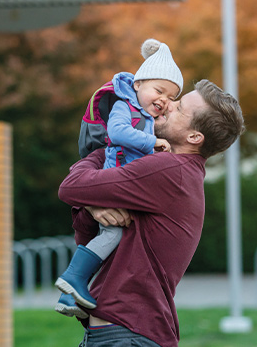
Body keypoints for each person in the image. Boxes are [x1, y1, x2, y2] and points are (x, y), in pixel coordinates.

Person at [58, 79, 246, 347]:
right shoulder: (175, 172)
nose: (167, 104)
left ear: (194, 137)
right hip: (120, 334)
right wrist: (92, 203)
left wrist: (104, 153)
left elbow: (70, 187)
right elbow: (85, 233)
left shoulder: (167, 170)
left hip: (126, 336)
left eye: (179, 108)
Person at [55, 39, 184, 315]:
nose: (164, 100)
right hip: (114, 178)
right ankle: (72, 278)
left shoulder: (145, 115)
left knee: (109, 241)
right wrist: (153, 143)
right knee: (111, 235)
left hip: (122, 180)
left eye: (171, 97)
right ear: (138, 85)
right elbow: (118, 134)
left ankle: (70, 297)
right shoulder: (125, 106)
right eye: (159, 90)